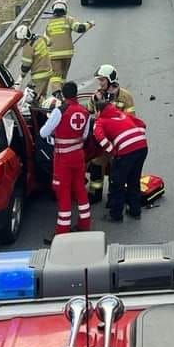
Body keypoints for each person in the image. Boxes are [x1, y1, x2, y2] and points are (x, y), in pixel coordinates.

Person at [39, 81, 92, 243]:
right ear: (76, 93)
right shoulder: (85, 112)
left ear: (62, 94)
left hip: (63, 159)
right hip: (78, 157)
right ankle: (85, 224)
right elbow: (84, 135)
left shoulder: (59, 111)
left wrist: (57, 130)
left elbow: (43, 133)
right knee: (80, 190)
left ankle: (62, 231)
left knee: (63, 193)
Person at [85, 64, 137, 203]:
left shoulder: (125, 97)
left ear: (110, 80)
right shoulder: (97, 95)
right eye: (99, 80)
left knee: (117, 170)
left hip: (118, 141)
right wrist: (95, 100)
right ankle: (95, 193)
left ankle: (114, 198)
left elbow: (130, 120)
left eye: (102, 80)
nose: (100, 83)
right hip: (102, 140)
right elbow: (89, 111)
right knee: (96, 165)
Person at [93, 96, 149, 221]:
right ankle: (135, 211)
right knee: (134, 180)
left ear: (98, 111)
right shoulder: (121, 114)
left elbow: (100, 138)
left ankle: (116, 214)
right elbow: (142, 124)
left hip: (126, 150)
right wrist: (136, 138)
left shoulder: (100, 122)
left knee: (117, 182)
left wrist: (113, 151)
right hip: (142, 147)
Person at [45, 1, 94, 79]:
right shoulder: (69, 20)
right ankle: (62, 89)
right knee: (64, 75)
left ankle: (56, 90)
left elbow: (46, 41)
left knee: (56, 77)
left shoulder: (49, 23)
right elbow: (80, 28)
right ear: (65, 10)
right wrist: (89, 24)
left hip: (54, 55)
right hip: (67, 54)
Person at [18, 28, 53, 98]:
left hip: (39, 75)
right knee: (42, 96)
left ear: (26, 38)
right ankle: (44, 107)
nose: (20, 42)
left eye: (21, 40)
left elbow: (26, 66)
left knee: (31, 97)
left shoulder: (28, 47)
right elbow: (49, 42)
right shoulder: (39, 38)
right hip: (48, 71)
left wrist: (21, 77)